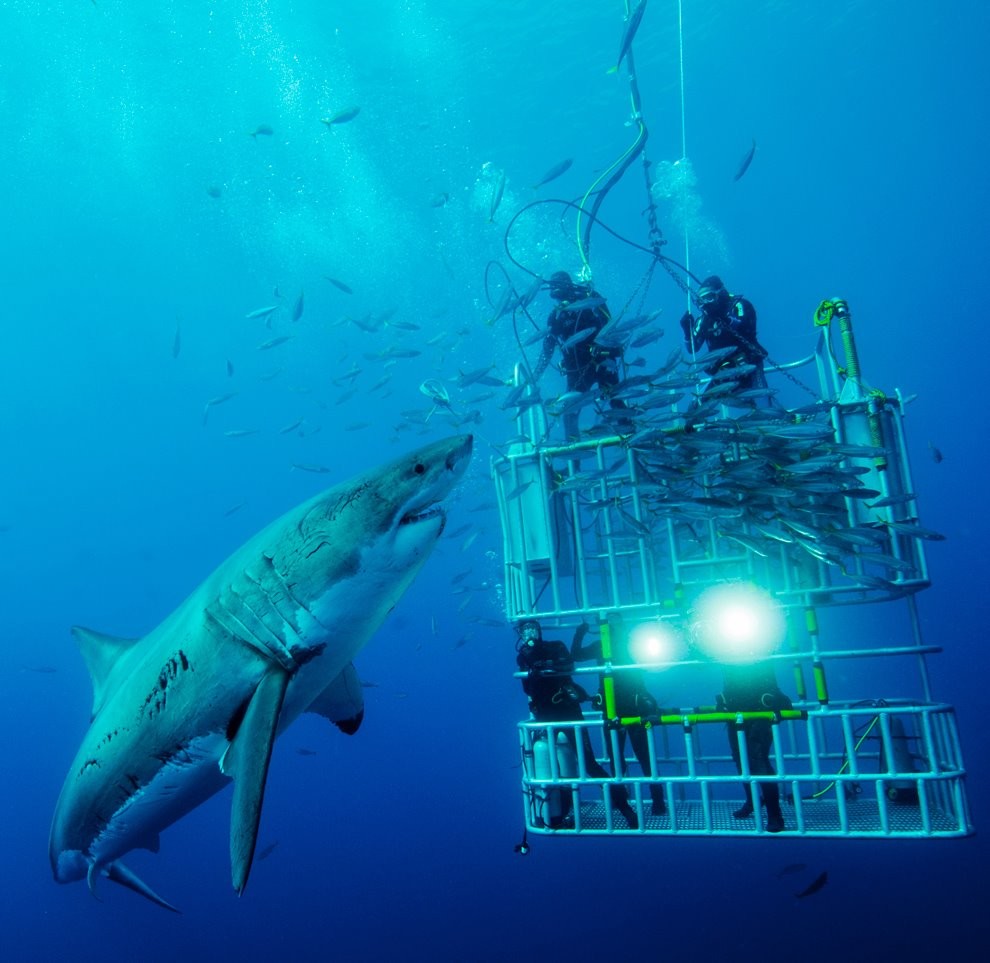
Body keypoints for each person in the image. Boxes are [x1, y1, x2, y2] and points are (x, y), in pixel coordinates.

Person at [516, 619, 638, 829]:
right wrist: (534, 668)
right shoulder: (523, 656)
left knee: (589, 764)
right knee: (548, 765)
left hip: (569, 712)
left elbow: (568, 665)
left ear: (539, 630)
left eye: (532, 629)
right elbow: (528, 689)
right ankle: (556, 814)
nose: (529, 634)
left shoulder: (555, 646)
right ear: (520, 635)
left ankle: (626, 809)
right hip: (545, 717)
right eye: (524, 630)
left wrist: (543, 666)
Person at [571, 615, 667, 817]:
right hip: (620, 707)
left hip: (628, 707)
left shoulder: (616, 644)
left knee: (633, 756)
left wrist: (580, 632)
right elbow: (576, 656)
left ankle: (647, 800)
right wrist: (580, 632)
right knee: (630, 757)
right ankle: (637, 800)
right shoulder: (617, 644)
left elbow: (576, 654)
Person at [532, 271, 627, 439]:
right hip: (577, 370)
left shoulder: (590, 299)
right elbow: (548, 347)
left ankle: (633, 441)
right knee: (570, 413)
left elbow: (610, 325)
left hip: (603, 362)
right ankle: (573, 452)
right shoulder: (555, 317)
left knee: (616, 401)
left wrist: (611, 349)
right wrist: (536, 374)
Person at [717, 660, 792, 833]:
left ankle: (775, 814)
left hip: (761, 708)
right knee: (739, 758)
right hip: (734, 708)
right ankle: (753, 801)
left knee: (758, 760)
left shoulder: (759, 652)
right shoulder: (725, 653)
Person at [679, 275, 768, 396]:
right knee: (697, 405)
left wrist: (724, 318)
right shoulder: (703, 320)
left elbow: (745, 327)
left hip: (749, 365)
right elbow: (693, 348)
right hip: (722, 372)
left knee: (762, 401)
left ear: (720, 293)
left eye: (709, 297)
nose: (705, 303)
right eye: (701, 300)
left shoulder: (739, 305)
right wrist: (686, 331)